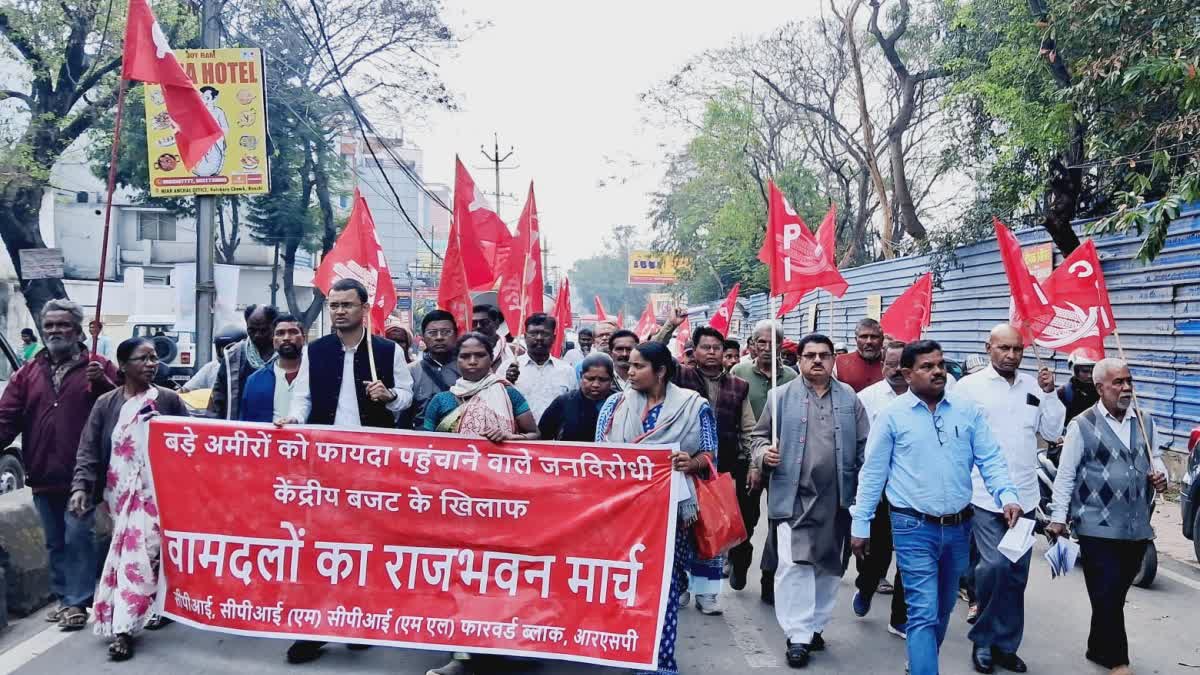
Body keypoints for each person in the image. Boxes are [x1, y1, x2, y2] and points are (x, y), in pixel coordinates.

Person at [851, 340, 1022, 675]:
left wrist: (1007, 495)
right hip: (912, 527)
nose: (937, 372)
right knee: (923, 611)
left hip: (959, 528)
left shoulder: (966, 411)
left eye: (940, 364)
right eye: (927, 367)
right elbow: (873, 473)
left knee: (943, 608)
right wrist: (861, 523)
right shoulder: (892, 416)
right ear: (907, 373)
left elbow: (991, 458)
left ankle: (919, 659)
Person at [278, 279, 413, 665]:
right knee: (317, 544)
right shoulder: (316, 351)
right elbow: (302, 395)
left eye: (346, 305)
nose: (338, 312)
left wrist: (389, 397)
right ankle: (313, 629)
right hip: (323, 463)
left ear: (364, 307)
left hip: (371, 466)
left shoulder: (386, 351)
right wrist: (295, 418)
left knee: (365, 546)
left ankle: (356, 621)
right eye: (333, 306)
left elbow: (406, 395)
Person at [422, 331, 540, 675]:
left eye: (479, 356)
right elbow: (425, 451)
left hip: (502, 501)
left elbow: (536, 435)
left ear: (492, 359)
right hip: (455, 501)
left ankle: (504, 646)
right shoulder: (442, 402)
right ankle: (461, 657)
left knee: (499, 576)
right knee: (459, 577)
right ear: (456, 361)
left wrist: (510, 437)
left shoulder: (507, 393)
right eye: (465, 357)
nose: (472, 362)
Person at [596, 341, 716, 675]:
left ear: (660, 371)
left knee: (664, 588)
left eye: (638, 367)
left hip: (671, 517)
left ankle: (660, 663)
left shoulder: (695, 407)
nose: (629, 372)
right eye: (629, 366)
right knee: (624, 586)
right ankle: (627, 652)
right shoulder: (614, 406)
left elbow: (711, 456)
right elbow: (597, 458)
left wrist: (688, 462)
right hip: (623, 515)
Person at [0, 300, 118, 631]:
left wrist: (103, 385)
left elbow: (123, 405)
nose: (55, 331)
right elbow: (6, 418)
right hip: (42, 472)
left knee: (78, 534)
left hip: (84, 474)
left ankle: (77, 602)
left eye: (63, 325)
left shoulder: (99, 366)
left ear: (78, 331)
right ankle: (65, 596)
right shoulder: (27, 373)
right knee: (54, 540)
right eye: (49, 325)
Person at [752, 333, 868, 668]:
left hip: (838, 499)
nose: (817, 361)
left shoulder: (849, 398)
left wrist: (864, 494)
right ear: (799, 360)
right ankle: (798, 635)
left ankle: (816, 625)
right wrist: (764, 455)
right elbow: (758, 438)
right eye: (810, 355)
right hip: (794, 497)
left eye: (824, 355)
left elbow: (864, 447)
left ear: (834, 359)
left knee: (830, 568)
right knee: (794, 566)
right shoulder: (780, 396)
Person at [69, 337, 189, 660]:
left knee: (141, 555)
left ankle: (123, 629)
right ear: (123, 366)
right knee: (127, 556)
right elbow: (89, 449)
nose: (151, 364)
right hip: (118, 495)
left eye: (154, 358)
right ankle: (139, 611)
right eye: (142, 358)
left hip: (156, 494)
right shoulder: (106, 404)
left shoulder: (168, 400)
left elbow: (190, 441)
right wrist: (81, 487)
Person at [954, 324, 1064, 674]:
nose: (1012, 355)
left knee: (1016, 574)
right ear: (989, 348)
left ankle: (1006, 646)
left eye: (1017, 349)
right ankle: (983, 642)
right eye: (1004, 348)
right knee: (994, 568)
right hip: (984, 496)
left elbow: (1050, 432)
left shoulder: (1033, 386)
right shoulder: (968, 388)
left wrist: (1049, 394)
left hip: (1026, 497)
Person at [1047, 358, 1168, 675]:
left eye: (1129, 381)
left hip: (1137, 525)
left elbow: (1156, 458)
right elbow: (1065, 476)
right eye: (1118, 382)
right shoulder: (1081, 425)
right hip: (1094, 527)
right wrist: (1058, 518)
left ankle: (1097, 646)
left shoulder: (1144, 421)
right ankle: (1118, 662)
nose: (1126, 387)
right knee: (1106, 592)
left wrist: (1161, 475)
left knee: (1114, 594)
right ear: (1100, 388)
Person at [666, 325, 755, 609]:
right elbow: (651, 354)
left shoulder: (739, 386)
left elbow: (748, 429)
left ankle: (707, 594)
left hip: (720, 470)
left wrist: (753, 463)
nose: (713, 353)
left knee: (713, 532)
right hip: (681, 469)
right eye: (706, 347)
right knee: (680, 533)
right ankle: (679, 586)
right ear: (694, 351)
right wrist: (669, 326)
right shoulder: (679, 377)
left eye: (717, 348)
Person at [851, 341, 909, 639]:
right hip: (879, 492)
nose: (897, 370)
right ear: (882, 365)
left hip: (914, 494)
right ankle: (865, 587)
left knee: (911, 560)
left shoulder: (928, 399)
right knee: (877, 555)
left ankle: (900, 617)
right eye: (891, 364)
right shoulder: (866, 399)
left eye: (903, 364)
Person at [208, 305, 278, 420]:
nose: (257, 335)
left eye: (263, 330)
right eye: (252, 330)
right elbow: (218, 399)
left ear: (274, 327)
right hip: (241, 428)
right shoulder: (233, 356)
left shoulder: (286, 354)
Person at [503, 313, 577, 422]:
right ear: (525, 336)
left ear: (554, 337)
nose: (539, 338)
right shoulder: (508, 368)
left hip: (554, 437)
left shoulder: (567, 371)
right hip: (518, 436)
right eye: (533, 334)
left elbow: (572, 406)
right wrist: (506, 382)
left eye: (545, 334)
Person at [240, 314, 306, 423]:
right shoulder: (255, 381)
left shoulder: (315, 375)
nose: (286, 338)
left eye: (293, 332)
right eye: (280, 333)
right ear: (273, 340)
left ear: (304, 337)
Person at [538, 353, 615, 442]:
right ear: (581, 376)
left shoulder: (619, 404)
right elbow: (542, 437)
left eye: (602, 380)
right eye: (590, 379)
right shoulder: (563, 402)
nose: (596, 384)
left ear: (611, 380)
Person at [406, 310, 460, 430]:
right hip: (421, 440)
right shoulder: (411, 371)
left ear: (456, 335)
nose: (439, 337)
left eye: (446, 332)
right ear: (423, 337)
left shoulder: (468, 368)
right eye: (432, 333)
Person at [180, 326, 245, 393]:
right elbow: (186, 390)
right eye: (223, 349)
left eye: (230, 349)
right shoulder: (211, 368)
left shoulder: (249, 369)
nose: (227, 353)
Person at [833, 318, 885, 392]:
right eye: (864, 337)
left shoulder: (890, 363)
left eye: (874, 337)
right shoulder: (839, 362)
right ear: (856, 340)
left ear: (882, 340)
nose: (869, 341)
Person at [1058, 350, 1099, 424]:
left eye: (1093, 370)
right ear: (1075, 370)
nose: (1090, 375)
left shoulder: (1102, 391)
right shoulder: (1064, 392)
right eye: (1085, 371)